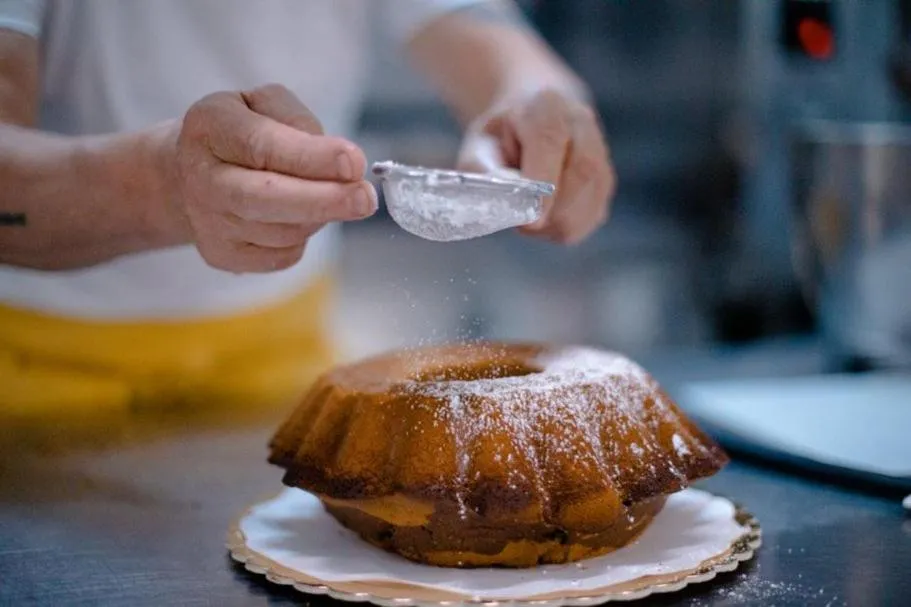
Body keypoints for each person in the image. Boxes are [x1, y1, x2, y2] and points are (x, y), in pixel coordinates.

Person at [0, 0, 616, 425]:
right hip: (31, 370)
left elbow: (491, 42)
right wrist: (159, 187)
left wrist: (545, 110)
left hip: (280, 363)